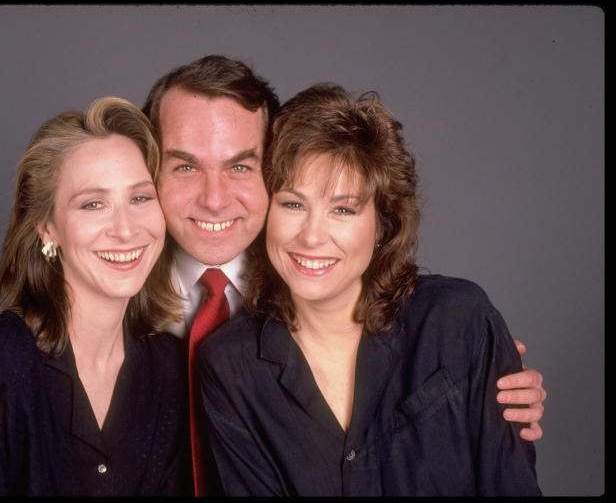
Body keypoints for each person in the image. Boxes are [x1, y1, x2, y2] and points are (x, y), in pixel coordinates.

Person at [0, 57, 546, 493]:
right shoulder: (133, 317)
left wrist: (474, 372)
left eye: (240, 166)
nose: (214, 198)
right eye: (183, 166)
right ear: (151, 167)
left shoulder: (342, 284)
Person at [198, 84, 542, 496]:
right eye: (293, 204)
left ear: (382, 225)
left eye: (343, 209)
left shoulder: (457, 319)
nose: (311, 236)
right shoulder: (231, 366)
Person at [0, 97, 190, 495]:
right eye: (93, 204)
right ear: (47, 228)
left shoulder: (169, 367)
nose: (126, 229)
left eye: (140, 197)